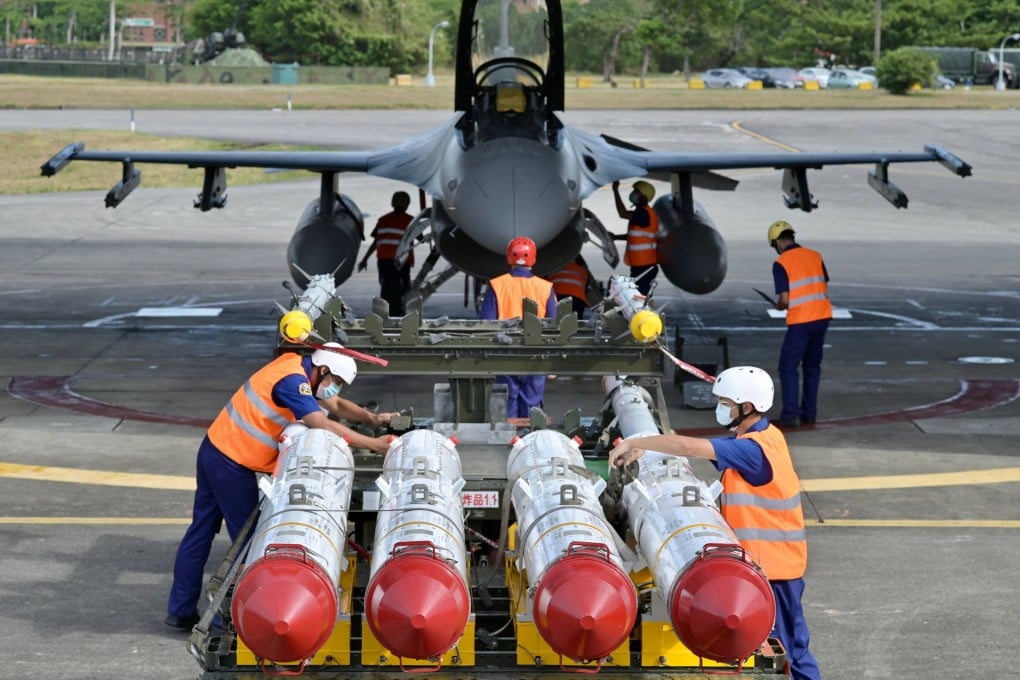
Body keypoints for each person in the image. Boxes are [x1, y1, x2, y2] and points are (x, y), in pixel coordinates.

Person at [165, 343, 396, 631]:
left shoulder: (296, 368)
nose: (335, 389)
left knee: (200, 532)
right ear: (323, 370)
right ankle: (221, 623)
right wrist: (374, 445)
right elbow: (319, 423)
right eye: (335, 382)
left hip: (215, 448)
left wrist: (372, 419)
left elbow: (334, 404)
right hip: (232, 463)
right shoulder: (292, 382)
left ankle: (181, 610)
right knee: (247, 543)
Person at [609, 366, 821, 680]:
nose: (720, 408)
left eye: (725, 403)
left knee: (787, 649)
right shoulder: (761, 437)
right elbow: (706, 449)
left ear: (745, 407)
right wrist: (649, 446)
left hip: (776, 569)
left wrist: (634, 444)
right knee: (775, 645)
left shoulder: (752, 449)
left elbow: (689, 447)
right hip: (768, 564)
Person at [479, 237, 557, 418]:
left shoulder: (497, 285)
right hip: (536, 357)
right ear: (534, 259)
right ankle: (528, 441)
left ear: (509, 258)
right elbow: (553, 326)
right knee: (532, 409)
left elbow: (486, 322)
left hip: (505, 356)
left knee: (506, 408)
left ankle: (509, 442)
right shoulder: (545, 288)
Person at [768, 220, 832, 428]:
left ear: (777, 242)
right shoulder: (815, 255)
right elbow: (822, 283)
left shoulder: (781, 262)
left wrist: (779, 306)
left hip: (801, 321)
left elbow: (785, 299)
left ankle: (790, 414)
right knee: (812, 366)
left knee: (787, 367)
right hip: (822, 317)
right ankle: (809, 414)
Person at [357, 191, 414, 316]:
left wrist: (365, 259)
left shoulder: (383, 220)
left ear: (392, 203)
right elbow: (420, 237)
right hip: (401, 260)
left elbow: (376, 241)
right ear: (407, 204)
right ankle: (399, 314)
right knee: (401, 288)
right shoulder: (410, 221)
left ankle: (385, 313)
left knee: (386, 286)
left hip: (383, 260)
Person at [612, 179, 659, 296]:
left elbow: (623, 213)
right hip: (641, 266)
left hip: (645, 266)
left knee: (639, 298)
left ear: (644, 197)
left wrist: (615, 191)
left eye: (636, 192)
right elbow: (635, 237)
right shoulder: (641, 213)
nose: (633, 194)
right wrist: (615, 237)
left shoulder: (644, 214)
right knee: (637, 297)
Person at [549, 253, 593, 318]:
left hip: (557, 297)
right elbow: (585, 289)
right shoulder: (583, 272)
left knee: (555, 321)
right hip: (577, 300)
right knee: (576, 322)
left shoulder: (553, 269)